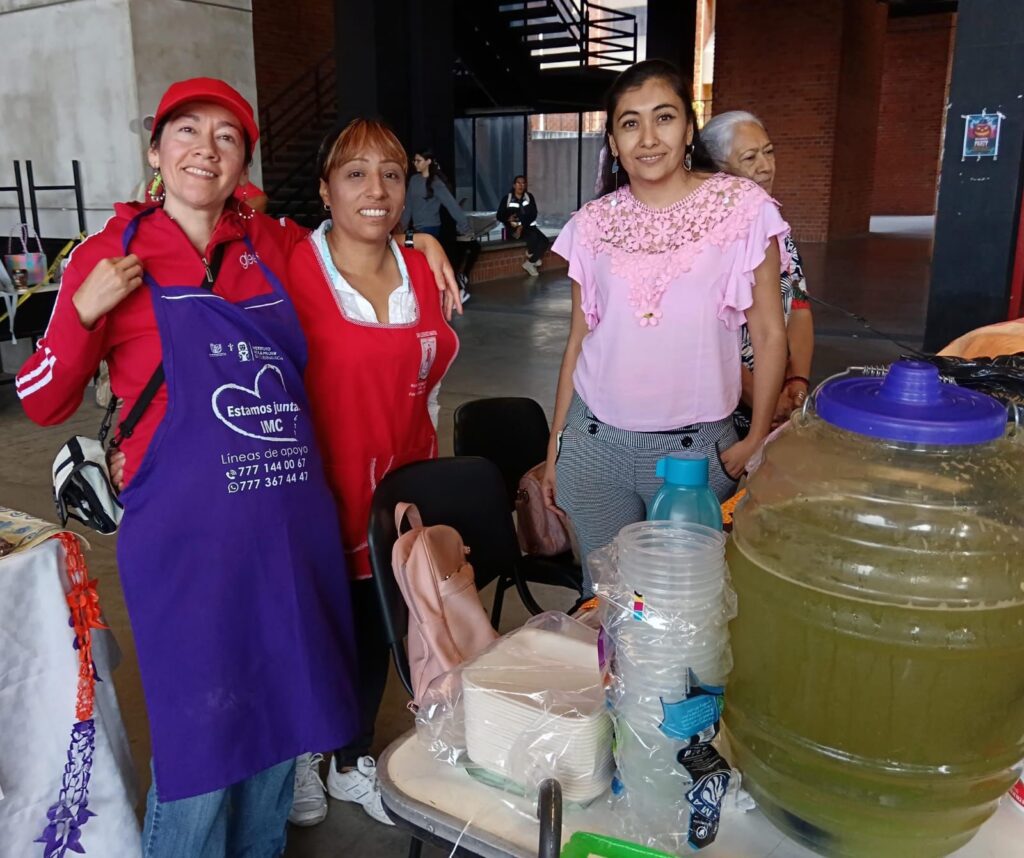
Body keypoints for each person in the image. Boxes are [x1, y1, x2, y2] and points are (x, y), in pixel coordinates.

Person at [15, 78, 363, 857]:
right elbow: (41, 401)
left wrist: (428, 248)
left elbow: (363, 249)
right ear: (155, 149)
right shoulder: (110, 255)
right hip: (182, 540)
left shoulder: (273, 244)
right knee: (200, 749)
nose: (205, 149)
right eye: (186, 131)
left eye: (227, 136)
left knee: (278, 727)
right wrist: (78, 315)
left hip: (282, 530)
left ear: (244, 160)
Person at [541, 60, 789, 594]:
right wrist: (554, 446)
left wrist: (758, 436)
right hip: (593, 445)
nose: (648, 138)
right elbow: (579, 341)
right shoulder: (592, 223)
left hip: (693, 455)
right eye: (630, 123)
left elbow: (769, 333)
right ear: (612, 137)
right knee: (607, 601)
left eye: (664, 118)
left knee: (682, 607)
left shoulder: (741, 208)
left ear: (689, 127)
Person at [281, 119, 459, 828]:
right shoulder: (291, 267)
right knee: (316, 629)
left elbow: (435, 386)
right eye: (354, 173)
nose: (376, 189)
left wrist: (427, 241)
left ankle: (352, 758)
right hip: (318, 491)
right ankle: (303, 754)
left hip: (402, 487)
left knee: (383, 625)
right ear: (325, 190)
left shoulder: (425, 270)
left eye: (390, 172)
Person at [702, 110, 814, 430]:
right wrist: (759, 398)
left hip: (774, 398)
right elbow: (703, 336)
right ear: (718, 169)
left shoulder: (775, 228)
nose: (766, 166)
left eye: (768, 151)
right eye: (750, 157)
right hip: (724, 409)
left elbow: (800, 307)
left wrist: (797, 380)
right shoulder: (707, 239)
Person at [401, 148, 477, 303]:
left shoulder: (436, 183)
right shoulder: (414, 181)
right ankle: (438, 296)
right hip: (416, 229)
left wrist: (465, 227)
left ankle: (456, 293)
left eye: (418, 160)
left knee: (430, 266)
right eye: (414, 160)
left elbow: (452, 206)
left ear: (428, 162)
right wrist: (401, 228)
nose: (415, 163)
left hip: (430, 229)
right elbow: (408, 206)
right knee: (422, 266)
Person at [497, 175, 551, 276]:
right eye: (518, 183)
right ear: (514, 185)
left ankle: (530, 261)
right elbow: (499, 215)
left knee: (545, 241)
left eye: (523, 183)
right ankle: (533, 257)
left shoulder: (529, 197)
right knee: (533, 237)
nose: (521, 185)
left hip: (527, 227)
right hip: (514, 230)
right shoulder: (507, 199)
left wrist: (523, 225)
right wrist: (508, 218)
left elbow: (534, 213)